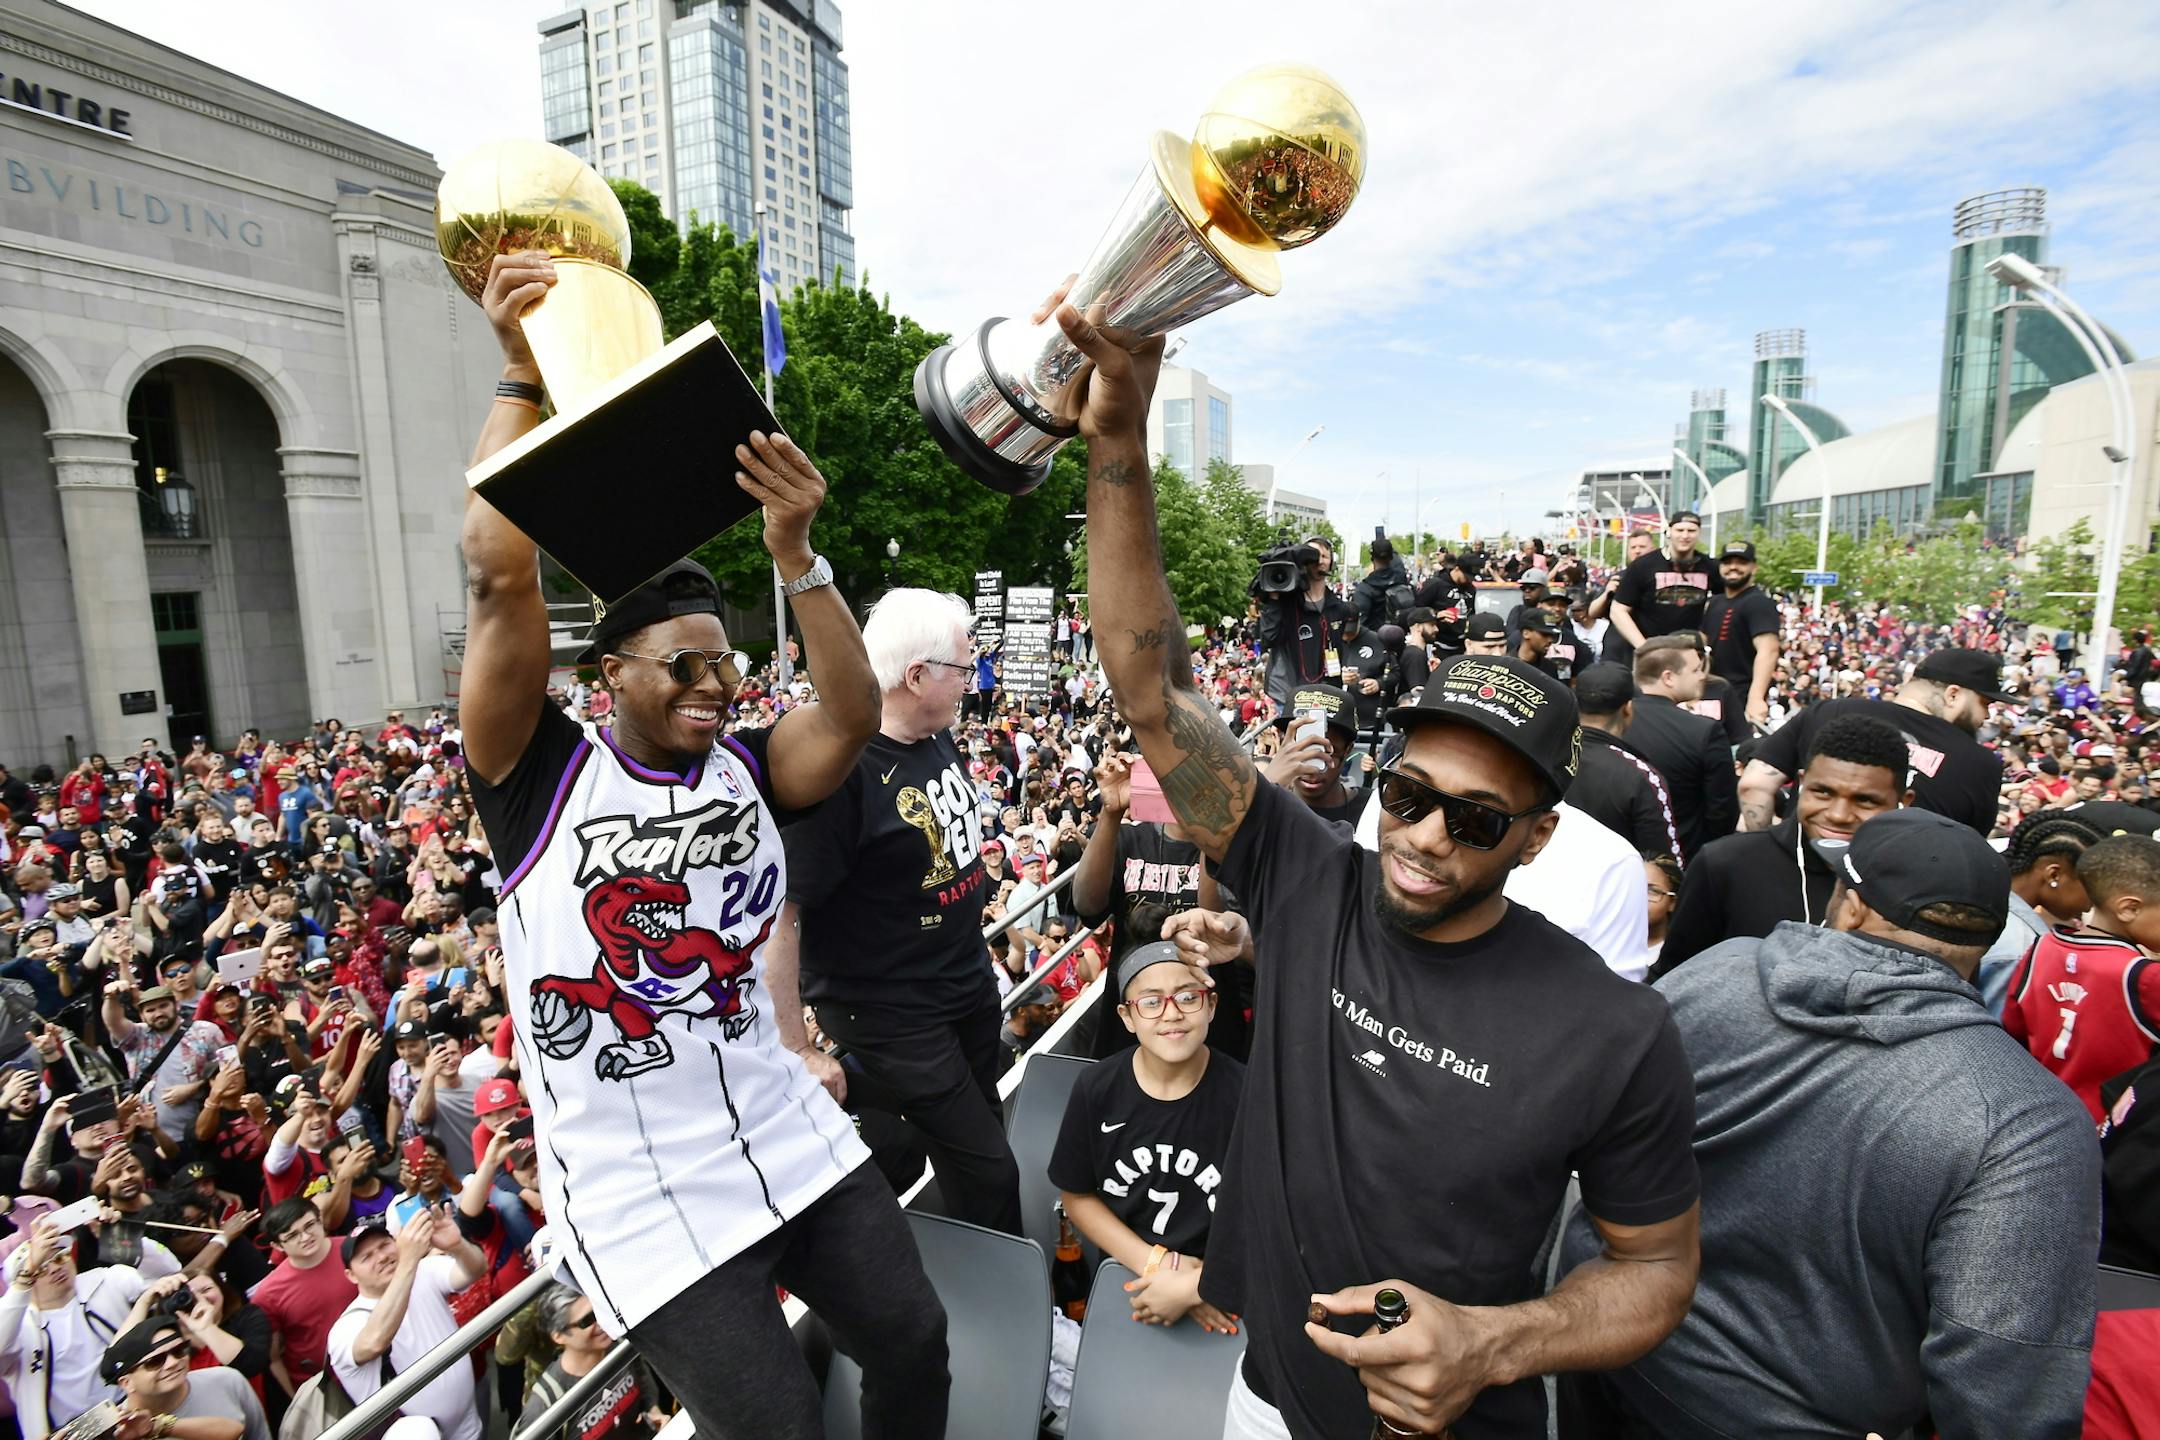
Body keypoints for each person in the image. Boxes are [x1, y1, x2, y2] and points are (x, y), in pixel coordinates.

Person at [1058, 289, 1699, 1439]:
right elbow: (1151, 689)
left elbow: (1656, 1270)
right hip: (1262, 1400)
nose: (1423, 837)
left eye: (1476, 821)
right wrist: (1118, 439)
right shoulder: (1309, 887)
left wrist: (1496, 1341)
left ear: (1537, 839)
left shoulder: (1613, 1030)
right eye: (1406, 797)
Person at [458, 249, 943, 1438]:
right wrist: (522, 374)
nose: (714, 685)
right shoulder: (539, 774)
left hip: (778, 1118)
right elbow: (495, 573)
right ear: (606, 672)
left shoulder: (749, 765)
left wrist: (799, 556)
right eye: (683, 664)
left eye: (726, 662)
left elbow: (850, 714)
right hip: (641, 1183)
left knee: (916, 1343)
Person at [1567, 808, 2100, 1439]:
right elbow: (2007, 1384)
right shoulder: (2027, 1119)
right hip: (1717, 1389)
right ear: (1986, 942)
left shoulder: (1715, 971)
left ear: (1847, 907)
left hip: (1594, 1340)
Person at [784, 585, 1024, 1238]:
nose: (975, 682)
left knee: (981, 1131)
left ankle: (980, 1250)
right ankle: (1013, 1297)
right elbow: (784, 911)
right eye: (963, 667)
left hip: (962, 982)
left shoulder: (933, 736)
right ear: (917, 676)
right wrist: (796, 1045)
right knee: (992, 1172)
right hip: (895, 1012)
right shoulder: (843, 774)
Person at [1050, 942, 1243, 1335]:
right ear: (1126, 1016)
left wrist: (1199, 1286)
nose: (1172, 1012)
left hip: (1227, 1282)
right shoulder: (1097, 1088)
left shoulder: (1248, 1094)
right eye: (1151, 1002)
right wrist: (1160, 1267)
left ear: (1211, 1005)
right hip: (1131, 1276)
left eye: (1189, 997)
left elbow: (1272, 1215)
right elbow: (1077, 1194)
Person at [1657, 714, 1912, 974]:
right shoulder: (1725, 864)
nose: (1838, 815)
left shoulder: (1918, 885)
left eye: (1865, 800)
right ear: (1801, 782)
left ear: (1904, 801)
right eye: (1823, 792)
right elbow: (1672, 977)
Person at [1739, 647, 2015, 835]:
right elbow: (1967, 844)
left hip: (1796, 880)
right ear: (1953, 695)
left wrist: (1771, 850)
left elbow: (1754, 785)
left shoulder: (1830, 711)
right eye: (1985, 703)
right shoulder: (1980, 763)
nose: (1986, 716)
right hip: (1894, 910)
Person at [2003, 833, 2160, 1123]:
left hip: (2045, 1119)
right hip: (2117, 1135)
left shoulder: (2039, 950)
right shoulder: (2145, 978)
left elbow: (2013, 1032)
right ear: (2129, 908)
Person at [325, 1215, 486, 1440]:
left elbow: (475, 1269)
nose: (381, 1257)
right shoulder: (346, 1326)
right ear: (351, 1276)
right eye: (366, 1257)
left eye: (384, 1245)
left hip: (469, 1424)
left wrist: (457, 1245)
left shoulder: (423, 1271)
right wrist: (408, 1260)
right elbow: (373, 1342)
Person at [1622, 636, 1738, 860]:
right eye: (1695, 670)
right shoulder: (1705, 732)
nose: (1703, 676)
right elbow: (1722, 813)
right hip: (1683, 862)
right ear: (1668, 677)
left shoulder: (1613, 723)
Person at [1976, 812, 2102, 1014]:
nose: (2095, 900)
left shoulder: (1981, 897)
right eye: (2090, 886)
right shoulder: (2020, 949)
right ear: (2054, 874)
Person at [516, 1285, 670, 1440]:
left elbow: (643, 1379)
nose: (601, 1322)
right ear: (559, 1336)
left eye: (600, 1310)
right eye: (587, 1320)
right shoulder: (546, 1406)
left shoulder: (620, 1347)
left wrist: (653, 1413)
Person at [1566, 664, 1684, 863]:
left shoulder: (1546, 757)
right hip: (1613, 890)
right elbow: (1665, 865)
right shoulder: (1641, 777)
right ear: (1628, 709)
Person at [246, 1199, 357, 1405]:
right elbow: (274, 1358)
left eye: (309, 1225)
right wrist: (298, 1402)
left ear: (320, 1220)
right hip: (327, 1391)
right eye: (293, 1236)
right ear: (277, 1245)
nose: (306, 1237)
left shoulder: (355, 1249)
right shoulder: (268, 1294)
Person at [101, 1318, 268, 1440]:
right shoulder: (119, 1430)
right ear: (126, 1383)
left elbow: (253, 1433)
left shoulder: (227, 1380)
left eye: (179, 1350)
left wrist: (157, 1426)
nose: (173, 1363)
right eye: (155, 1361)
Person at [1257, 537, 1353, 712]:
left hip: (1327, 694)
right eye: (1313, 555)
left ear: (1332, 562)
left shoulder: (1338, 608)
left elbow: (1345, 645)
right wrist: (1274, 598)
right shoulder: (1285, 603)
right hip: (1288, 693)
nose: (1319, 560)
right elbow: (1269, 638)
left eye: (1324, 556)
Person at [1607, 512, 1717, 657]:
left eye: (1691, 531)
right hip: (1651, 651)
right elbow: (1618, 610)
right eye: (1680, 530)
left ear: (1699, 534)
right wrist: (1644, 647)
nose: (1685, 536)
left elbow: (1724, 603)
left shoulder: (1710, 566)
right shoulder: (1642, 565)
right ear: (1669, 532)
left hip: (1691, 651)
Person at [1257, 684, 1368, 828]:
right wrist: (1264, 791)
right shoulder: (1267, 807)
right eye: (1302, 750)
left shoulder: (1371, 811)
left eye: (1326, 752)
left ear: (1348, 750)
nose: (1311, 769)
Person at [1699, 540, 1780, 728]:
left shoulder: (1758, 602)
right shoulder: (1715, 602)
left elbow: (1768, 650)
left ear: (1754, 567)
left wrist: (1756, 698)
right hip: (1712, 692)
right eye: (1727, 562)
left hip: (1740, 695)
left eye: (1741, 562)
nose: (1733, 567)